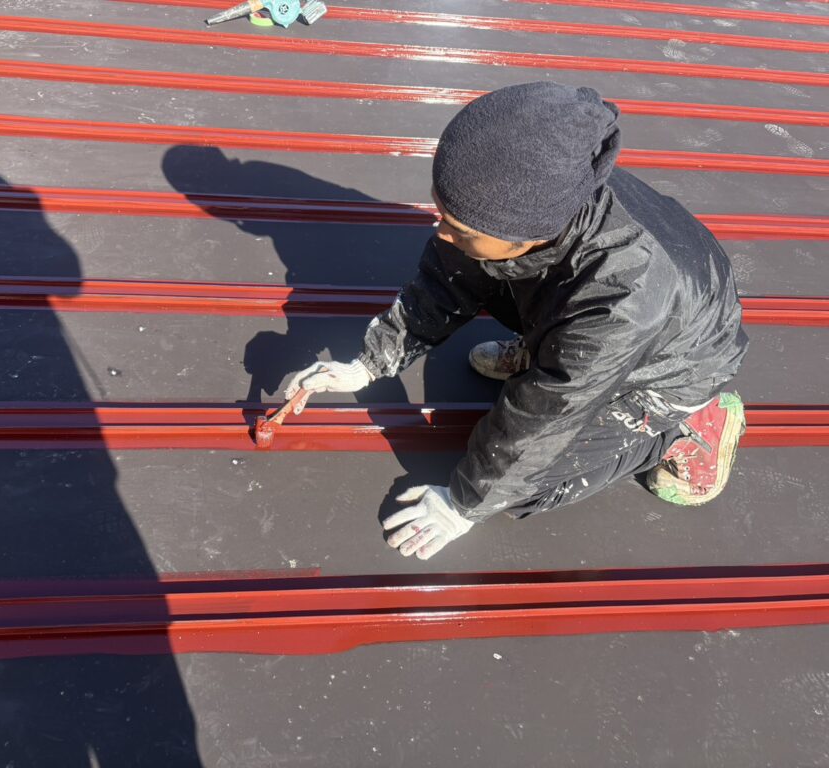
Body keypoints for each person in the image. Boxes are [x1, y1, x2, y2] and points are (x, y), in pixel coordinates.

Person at [284, 81, 749, 560]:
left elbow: (548, 414)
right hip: (599, 326)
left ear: (529, 236)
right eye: (442, 210)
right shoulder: (531, 193)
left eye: (457, 226)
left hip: (671, 369)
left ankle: (684, 428)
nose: (439, 231)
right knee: (480, 264)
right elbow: (448, 280)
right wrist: (368, 364)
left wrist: (463, 505)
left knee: (523, 490)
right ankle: (548, 347)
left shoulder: (621, 300)